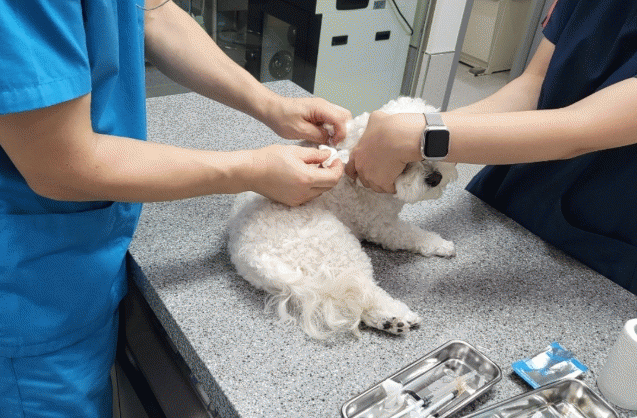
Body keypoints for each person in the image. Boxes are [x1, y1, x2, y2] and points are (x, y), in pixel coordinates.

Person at [0, 0, 350, 416]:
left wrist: (271, 105)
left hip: (77, 263)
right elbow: (60, 163)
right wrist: (250, 170)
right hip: (28, 296)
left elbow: (152, 11)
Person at [345, 0, 637, 295]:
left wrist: (426, 136)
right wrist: (427, 129)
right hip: (511, 188)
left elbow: (583, 128)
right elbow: (533, 84)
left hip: (596, 230)